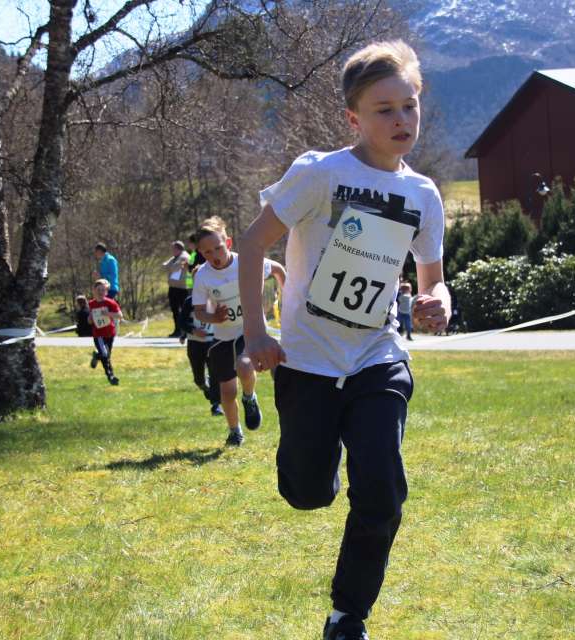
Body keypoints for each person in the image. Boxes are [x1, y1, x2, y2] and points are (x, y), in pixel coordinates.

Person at [237, 40, 449, 640]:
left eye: (409, 106)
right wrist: (256, 332)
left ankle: (347, 615)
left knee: (381, 489)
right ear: (353, 118)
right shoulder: (319, 175)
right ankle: (317, 462)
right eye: (384, 109)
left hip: (377, 357)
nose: (401, 120)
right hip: (305, 360)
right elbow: (252, 244)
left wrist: (437, 303)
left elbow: (433, 280)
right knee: (307, 493)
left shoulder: (424, 194)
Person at [192, 216, 285, 446]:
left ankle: (249, 397)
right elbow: (199, 311)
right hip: (222, 337)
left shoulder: (245, 262)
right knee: (226, 392)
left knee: (244, 366)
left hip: (249, 329)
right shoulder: (202, 275)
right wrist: (213, 317)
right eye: (207, 252)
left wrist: (287, 296)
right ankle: (235, 431)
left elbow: (277, 269)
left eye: (218, 248)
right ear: (201, 253)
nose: (214, 255)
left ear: (228, 243)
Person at [180, 294, 222, 416]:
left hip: (213, 342)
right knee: (199, 379)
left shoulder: (217, 299)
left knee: (215, 374)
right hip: (195, 343)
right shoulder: (190, 301)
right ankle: (205, 387)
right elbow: (182, 321)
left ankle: (216, 405)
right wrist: (193, 331)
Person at [88, 278, 123, 386]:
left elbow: (120, 315)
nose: (100, 292)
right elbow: (89, 321)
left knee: (106, 356)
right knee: (104, 354)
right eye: (98, 290)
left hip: (110, 333)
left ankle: (97, 356)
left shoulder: (110, 303)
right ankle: (110, 376)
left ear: (106, 292)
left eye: (103, 290)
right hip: (98, 334)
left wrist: (108, 314)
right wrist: (90, 318)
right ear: (94, 291)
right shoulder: (91, 304)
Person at [163, 240, 190, 338]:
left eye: (173, 248)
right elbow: (165, 266)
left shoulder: (184, 257)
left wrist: (169, 266)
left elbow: (174, 268)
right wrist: (169, 266)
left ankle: (185, 331)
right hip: (173, 287)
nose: (172, 251)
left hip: (182, 288)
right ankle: (177, 330)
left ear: (178, 249)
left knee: (184, 310)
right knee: (175, 311)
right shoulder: (175, 257)